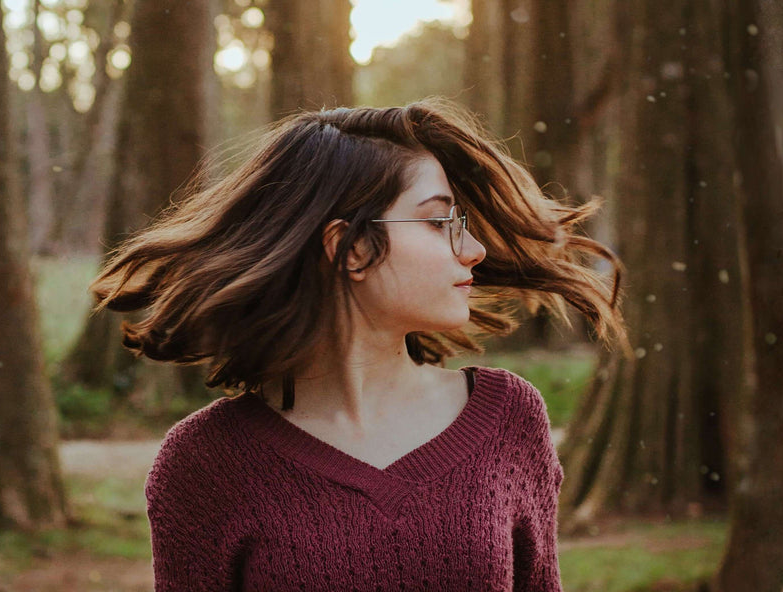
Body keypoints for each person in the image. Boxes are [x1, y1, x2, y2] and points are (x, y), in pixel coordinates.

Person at [89, 98, 628, 591]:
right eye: (440, 221)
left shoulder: (509, 418)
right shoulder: (205, 463)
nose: (474, 248)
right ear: (348, 247)